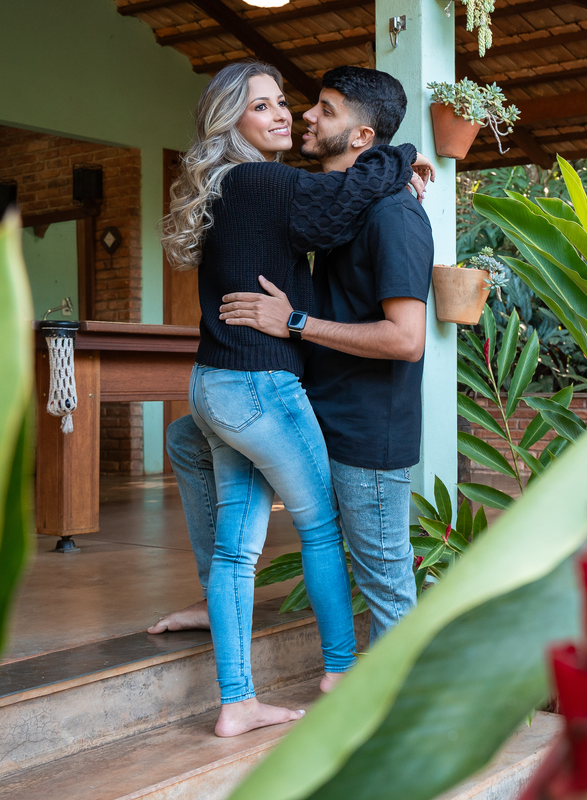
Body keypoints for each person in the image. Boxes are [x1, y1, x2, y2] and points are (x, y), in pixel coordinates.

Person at [158, 61, 426, 738]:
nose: (288, 114)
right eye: (265, 107)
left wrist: (393, 165)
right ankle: (339, 667)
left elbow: (338, 204)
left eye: (294, 104)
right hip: (260, 386)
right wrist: (403, 158)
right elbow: (339, 201)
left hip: (223, 383)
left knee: (234, 550)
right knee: (320, 530)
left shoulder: (246, 183)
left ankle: (238, 701)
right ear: (231, 123)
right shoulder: (261, 180)